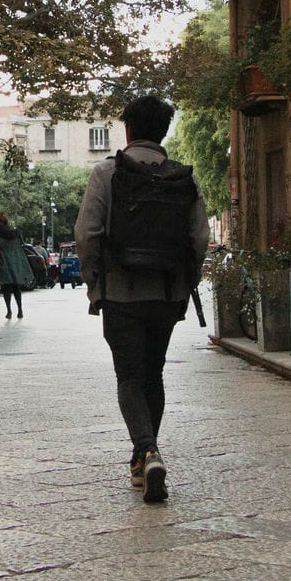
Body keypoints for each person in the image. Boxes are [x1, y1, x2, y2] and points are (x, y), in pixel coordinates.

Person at [76, 95, 209, 503]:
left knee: (129, 377)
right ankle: (144, 456)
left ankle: (147, 451)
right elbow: (200, 237)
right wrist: (186, 281)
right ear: (163, 131)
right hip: (167, 295)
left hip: (121, 291)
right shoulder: (183, 178)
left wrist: (93, 281)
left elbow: (86, 234)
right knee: (154, 373)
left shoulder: (107, 174)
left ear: (129, 130)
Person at [0, 213, 32, 319]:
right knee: (16, 287)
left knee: (6, 288)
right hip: (16, 263)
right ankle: (20, 310)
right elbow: (22, 245)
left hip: (4, 263)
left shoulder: (0, 236)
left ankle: (9, 311)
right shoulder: (16, 234)